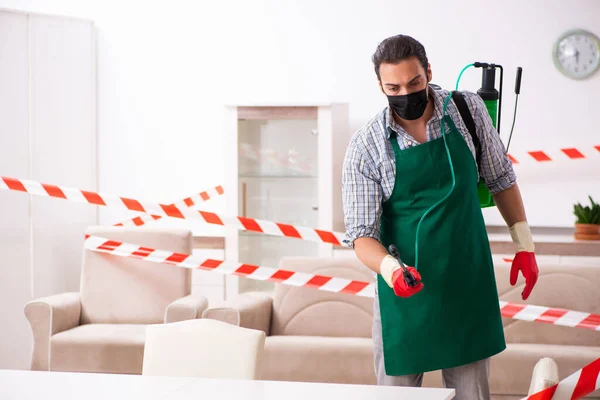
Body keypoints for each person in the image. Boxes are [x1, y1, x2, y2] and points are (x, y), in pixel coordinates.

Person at [341, 34, 539, 399]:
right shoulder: (367, 145)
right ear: (380, 86)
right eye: (393, 87)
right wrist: (391, 271)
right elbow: (362, 235)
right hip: (405, 291)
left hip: (467, 285)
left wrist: (524, 245)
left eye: (415, 83)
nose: (406, 93)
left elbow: (501, 180)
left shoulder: (467, 111)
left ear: (429, 72)